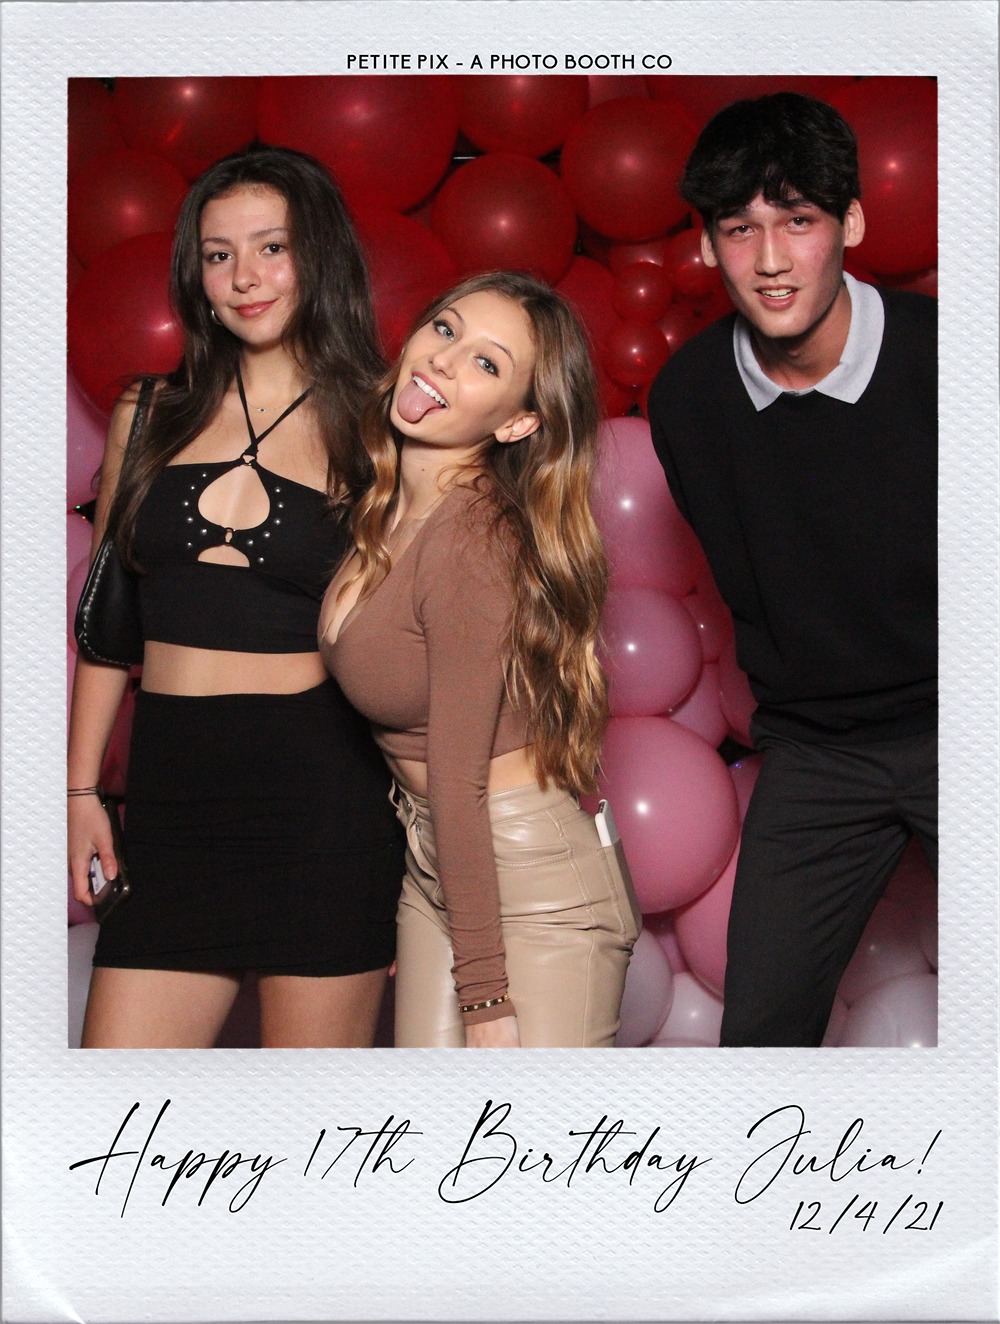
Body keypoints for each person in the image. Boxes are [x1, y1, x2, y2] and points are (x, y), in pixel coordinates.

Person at [68, 144, 404, 1048]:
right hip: (169, 802)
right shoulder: (147, 413)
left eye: (271, 247)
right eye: (219, 254)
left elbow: (419, 651)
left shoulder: (379, 426)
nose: (244, 277)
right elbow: (107, 625)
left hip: (324, 806)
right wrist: (80, 790)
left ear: (318, 255)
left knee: (306, 1124)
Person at [646, 92, 937, 1047]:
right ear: (706, 246)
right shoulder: (688, 401)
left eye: (799, 221)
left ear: (851, 223)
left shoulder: (952, 361)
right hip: (817, 757)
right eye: (741, 229)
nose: (770, 259)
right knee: (761, 1040)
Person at [319, 271, 641, 1048]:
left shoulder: (472, 537)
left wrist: (485, 992)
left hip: (531, 878)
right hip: (443, 864)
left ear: (518, 421)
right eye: (445, 329)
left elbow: (459, 774)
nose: (445, 359)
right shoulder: (389, 508)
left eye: (487, 363)